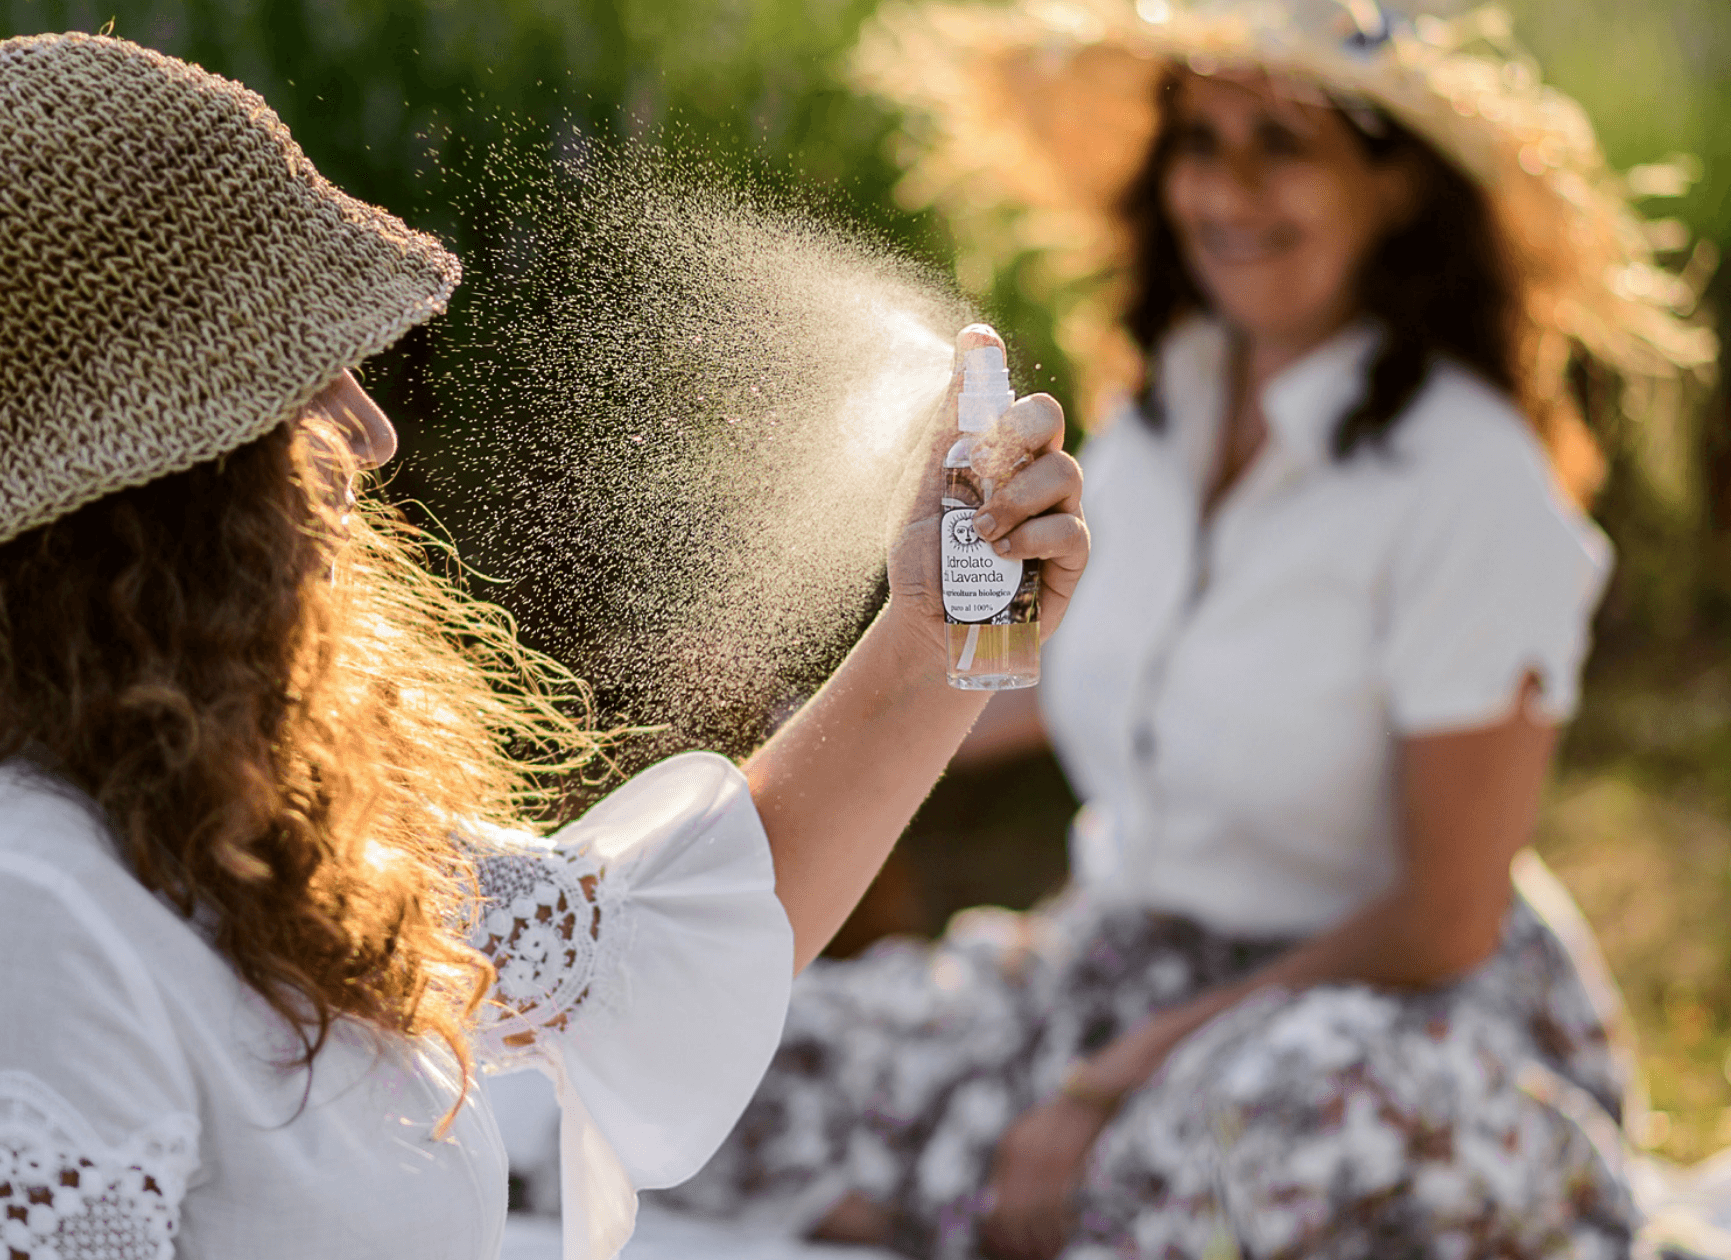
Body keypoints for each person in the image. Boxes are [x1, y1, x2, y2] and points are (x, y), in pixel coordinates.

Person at [0, 33, 1090, 1260]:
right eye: (300, 385)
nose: (368, 437)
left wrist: (938, 633)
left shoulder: (165, 798)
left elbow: (646, 946)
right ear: (138, 486)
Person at [664, 1, 1713, 1256]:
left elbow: (1443, 917)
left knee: (1284, 1125)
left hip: (1359, 1005)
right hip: (1113, 964)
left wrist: (1108, 1083)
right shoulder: (1167, 413)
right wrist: (803, 727)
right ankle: (976, 1187)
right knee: (709, 1053)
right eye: (1198, 142)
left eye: (1282, 143)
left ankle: (963, 1183)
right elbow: (1087, 673)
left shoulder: (1470, 477)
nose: (1225, 188)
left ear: (1397, 190)